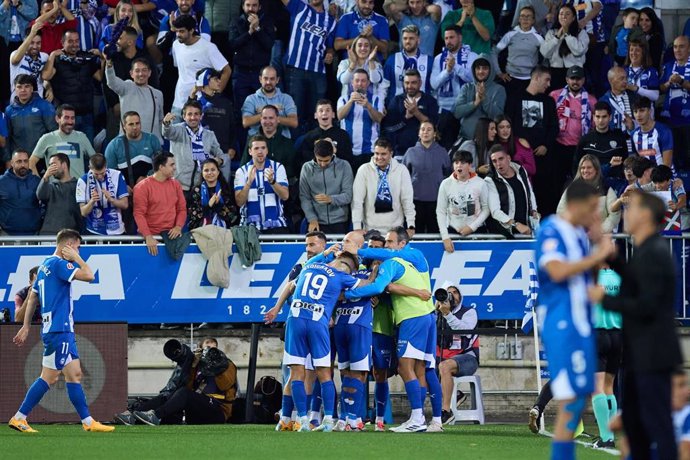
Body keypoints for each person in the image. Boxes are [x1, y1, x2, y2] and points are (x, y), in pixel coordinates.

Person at [589, 191, 683, 460]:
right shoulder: (647, 250)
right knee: (637, 428)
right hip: (639, 352)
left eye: (632, 209)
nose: (626, 214)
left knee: (658, 427)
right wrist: (613, 257)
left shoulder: (654, 253)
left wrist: (604, 299)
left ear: (645, 216)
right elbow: (634, 283)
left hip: (653, 355)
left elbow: (648, 306)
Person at [536, 180, 614, 460]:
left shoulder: (580, 236)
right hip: (561, 322)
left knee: (579, 398)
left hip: (582, 323)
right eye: (592, 209)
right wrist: (597, 257)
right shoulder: (551, 230)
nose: (595, 215)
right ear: (577, 204)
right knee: (570, 401)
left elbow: (584, 280)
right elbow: (557, 272)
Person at [9, 228, 114, 433]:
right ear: (68, 245)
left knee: (75, 374)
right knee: (49, 377)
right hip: (60, 329)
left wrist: (26, 326)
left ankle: (88, 421)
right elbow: (90, 275)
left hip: (58, 329)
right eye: (77, 247)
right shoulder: (58, 264)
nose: (78, 251)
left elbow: (32, 298)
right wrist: (77, 259)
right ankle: (19, 417)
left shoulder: (43, 266)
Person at [343, 227, 437, 433]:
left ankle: (418, 418)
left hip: (412, 317)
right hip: (423, 315)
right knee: (419, 369)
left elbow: (378, 287)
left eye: (388, 243)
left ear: (401, 244)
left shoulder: (397, 260)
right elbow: (391, 287)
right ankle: (427, 419)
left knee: (404, 368)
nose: (385, 248)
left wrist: (349, 295)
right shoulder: (408, 263)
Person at [281, 252, 362, 432]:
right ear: (350, 269)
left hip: (295, 319)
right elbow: (367, 286)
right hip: (318, 322)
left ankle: (301, 420)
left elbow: (289, 286)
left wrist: (276, 308)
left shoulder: (309, 266)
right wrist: (375, 274)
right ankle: (327, 420)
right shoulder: (341, 276)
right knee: (324, 373)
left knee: (296, 373)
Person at [131, 338, 238, 425]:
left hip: (218, 411)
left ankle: (156, 416)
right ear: (200, 349)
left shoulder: (227, 365)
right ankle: (132, 416)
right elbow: (188, 386)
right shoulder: (198, 366)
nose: (211, 349)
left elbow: (225, 385)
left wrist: (215, 366)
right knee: (169, 396)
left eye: (214, 346)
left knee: (184, 393)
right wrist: (193, 365)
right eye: (208, 346)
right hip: (198, 411)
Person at [505, 66, 558, 216]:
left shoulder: (548, 102)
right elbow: (508, 123)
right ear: (536, 78)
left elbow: (554, 127)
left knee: (544, 193)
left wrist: (546, 145)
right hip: (520, 155)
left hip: (543, 157)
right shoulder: (515, 97)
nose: (549, 84)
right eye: (546, 80)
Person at [281, 0, 337, 135]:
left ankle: (315, 150)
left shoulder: (331, 21)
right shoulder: (299, 7)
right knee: (295, 113)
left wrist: (330, 54)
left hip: (318, 73)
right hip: (295, 69)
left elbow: (331, 47)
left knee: (316, 115)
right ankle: (295, 152)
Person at [41, 29, 102, 141]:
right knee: (66, 152)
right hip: (66, 117)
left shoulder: (87, 58)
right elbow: (46, 76)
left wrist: (102, 57)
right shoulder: (57, 59)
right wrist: (53, 55)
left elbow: (100, 77)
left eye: (76, 41)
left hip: (86, 114)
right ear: (62, 42)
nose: (74, 44)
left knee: (87, 152)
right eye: (70, 41)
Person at [351, 138, 415, 234]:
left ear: (391, 154)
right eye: (376, 153)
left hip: (395, 230)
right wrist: (357, 226)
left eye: (383, 154)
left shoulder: (401, 170)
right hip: (370, 230)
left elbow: (407, 200)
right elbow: (357, 201)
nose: (379, 157)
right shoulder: (364, 170)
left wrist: (411, 225)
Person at [162, 100, 224, 198]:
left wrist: (219, 160)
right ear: (184, 116)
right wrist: (166, 123)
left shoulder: (209, 135)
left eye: (196, 114)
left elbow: (220, 155)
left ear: (201, 116)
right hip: (178, 186)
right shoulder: (178, 130)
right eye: (189, 114)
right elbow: (167, 132)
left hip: (200, 186)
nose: (193, 117)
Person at [170, 14, 230, 116]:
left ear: (191, 30)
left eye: (182, 31)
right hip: (178, 104)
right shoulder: (176, 45)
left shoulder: (208, 48)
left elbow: (226, 70)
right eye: (176, 31)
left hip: (200, 107)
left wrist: (217, 94)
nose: (178, 34)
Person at [436, 285, 479, 425]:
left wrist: (448, 314)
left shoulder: (469, 312)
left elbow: (464, 331)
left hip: (468, 358)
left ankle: (446, 411)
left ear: (460, 296)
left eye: (455, 293)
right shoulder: (436, 312)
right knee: (422, 369)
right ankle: (457, 395)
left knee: (444, 366)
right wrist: (435, 313)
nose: (452, 296)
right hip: (443, 356)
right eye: (448, 293)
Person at [550, 65, 597, 191]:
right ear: (567, 79)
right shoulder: (555, 96)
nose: (575, 82)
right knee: (556, 182)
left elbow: (594, 125)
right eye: (572, 78)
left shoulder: (591, 101)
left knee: (579, 182)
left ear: (583, 80)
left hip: (579, 147)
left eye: (578, 78)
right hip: (558, 145)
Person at [133, 151, 187, 257]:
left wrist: (178, 227)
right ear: (161, 167)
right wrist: (148, 236)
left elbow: (182, 209)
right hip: (150, 240)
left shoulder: (176, 184)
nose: (175, 168)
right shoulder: (142, 187)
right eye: (172, 165)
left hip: (171, 238)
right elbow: (139, 214)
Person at [430, 25, 476, 149]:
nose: (448, 41)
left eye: (452, 37)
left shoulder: (472, 56)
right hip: (445, 109)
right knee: (445, 147)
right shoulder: (438, 58)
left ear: (460, 38)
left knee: (466, 146)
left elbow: (473, 79)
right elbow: (433, 84)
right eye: (446, 38)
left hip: (466, 109)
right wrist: (447, 71)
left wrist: (456, 67)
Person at [234, 134, 290, 233]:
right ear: (250, 151)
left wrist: (272, 182)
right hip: (249, 228)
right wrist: (249, 183)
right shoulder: (241, 171)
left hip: (276, 225)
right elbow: (239, 202)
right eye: (256, 148)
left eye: (263, 148)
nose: (260, 151)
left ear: (267, 150)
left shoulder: (278, 167)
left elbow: (285, 196)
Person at [401, 121, 450, 234]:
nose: (425, 132)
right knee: (415, 235)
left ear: (434, 133)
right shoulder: (410, 152)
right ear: (418, 133)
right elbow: (403, 176)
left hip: (437, 202)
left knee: (435, 235)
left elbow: (448, 175)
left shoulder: (442, 152)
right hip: (415, 202)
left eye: (429, 129)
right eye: (422, 129)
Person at [105, 52, 164, 143]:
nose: (141, 74)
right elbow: (112, 82)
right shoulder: (126, 87)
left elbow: (160, 120)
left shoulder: (158, 94)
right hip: (128, 143)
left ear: (149, 73)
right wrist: (109, 64)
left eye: (144, 70)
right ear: (131, 73)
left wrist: (159, 141)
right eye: (137, 71)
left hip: (151, 144)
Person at [437, 150, 489, 252]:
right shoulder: (445, 184)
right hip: (453, 230)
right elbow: (440, 211)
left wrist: (472, 227)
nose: (459, 166)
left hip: (477, 231)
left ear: (470, 165)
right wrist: (445, 237)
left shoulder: (480, 183)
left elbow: (486, 209)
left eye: (463, 163)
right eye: (456, 163)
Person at [229, 0, 275, 112]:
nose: (251, 8)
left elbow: (269, 44)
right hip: (241, 73)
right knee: (240, 110)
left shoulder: (267, 21)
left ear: (259, 7)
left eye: (254, 5)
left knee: (261, 110)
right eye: (248, 5)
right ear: (243, 6)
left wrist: (258, 28)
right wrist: (249, 32)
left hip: (259, 74)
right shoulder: (236, 21)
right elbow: (232, 44)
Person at [299, 139, 353, 234]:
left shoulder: (344, 166)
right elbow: (304, 197)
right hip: (316, 222)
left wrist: (331, 199)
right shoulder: (306, 168)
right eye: (320, 160)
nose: (323, 164)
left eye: (326, 160)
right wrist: (312, 219)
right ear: (315, 155)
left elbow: (348, 195)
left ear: (332, 154)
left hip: (340, 221)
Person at [484, 145, 538, 237]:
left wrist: (533, 210)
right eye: (494, 161)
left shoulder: (520, 170)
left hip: (526, 229)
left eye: (501, 159)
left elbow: (530, 192)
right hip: (504, 233)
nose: (498, 164)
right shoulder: (490, 180)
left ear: (508, 158)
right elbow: (495, 211)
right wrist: (516, 224)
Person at [191, 68, 236, 177]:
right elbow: (188, 123)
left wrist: (232, 147)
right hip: (201, 152)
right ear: (205, 81)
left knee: (224, 189)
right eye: (216, 79)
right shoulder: (196, 103)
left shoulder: (225, 102)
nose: (220, 81)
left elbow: (232, 126)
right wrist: (192, 96)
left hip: (223, 152)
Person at [556, 156, 620, 233]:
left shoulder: (606, 189)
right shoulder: (571, 189)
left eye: (589, 167)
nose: (585, 170)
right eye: (582, 168)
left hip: (600, 239)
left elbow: (614, 215)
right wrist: (573, 231)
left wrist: (599, 231)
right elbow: (561, 212)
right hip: (576, 237)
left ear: (596, 170)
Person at [383, 69, 438, 158]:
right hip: (400, 153)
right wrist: (406, 118)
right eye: (407, 83)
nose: (410, 86)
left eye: (413, 83)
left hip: (425, 152)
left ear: (420, 83)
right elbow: (390, 128)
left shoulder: (430, 101)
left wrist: (416, 112)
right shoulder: (397, 101)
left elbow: (434, 126)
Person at [337, 69, 385, 170]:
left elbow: (379, 119)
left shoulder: (376, 99)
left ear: (368, 83)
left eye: (363, 81)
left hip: (370, 150)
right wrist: (351, 101)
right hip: (348, 150)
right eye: (357, 80)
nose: (360, 84)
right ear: (352, 83)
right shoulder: (344, 99)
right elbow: (340, 116)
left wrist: (368, 106)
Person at [453, 55, 506, 144]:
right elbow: (457, 113)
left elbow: (498, 117)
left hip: (488, 142)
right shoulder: (466, 87)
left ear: (490, 70)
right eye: (478, 68)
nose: (481, 71)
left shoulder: (499, 89)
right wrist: (475, 103)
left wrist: (484, 99)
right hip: (465, 139)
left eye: (485, 68)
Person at [239, 105, 298, 183]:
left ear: (278, 119)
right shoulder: (252, 141)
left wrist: (273, 177)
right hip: (255, 183)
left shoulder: (287, 143)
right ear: (260, 120)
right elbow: (243, 166)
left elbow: (291, 170)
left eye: (271, 118)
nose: (267, 122)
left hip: (280, 184)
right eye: (264, 118)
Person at [76, 153, 129, 235]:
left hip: (117, 231)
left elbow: (125, 205)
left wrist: (111, 200)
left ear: (105, 166)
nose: (100, 177)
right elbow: (83, 212)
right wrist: (92, 201)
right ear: (90, 168)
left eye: (102, 173)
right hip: (94, 232)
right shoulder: (83, 181)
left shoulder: (117, 175)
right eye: (96, 174)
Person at [495, 5, 544, 95]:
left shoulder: (539, 37)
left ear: (533, 20)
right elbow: (494, 52)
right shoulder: (510, 35)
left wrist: (540, 75)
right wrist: (499, 73)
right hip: (510, 79)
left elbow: (547, 56)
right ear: (519, 19)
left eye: (528, 16)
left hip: (530, 81)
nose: (525, 19)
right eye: (522, 16)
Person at [539, 4, 588, 93]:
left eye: (567, 14)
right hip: (555, 72)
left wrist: (567, 34)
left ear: (573, 18)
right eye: (561, 14)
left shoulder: (581, 33)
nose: (564, 16)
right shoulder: (551, 33)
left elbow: (578, 51)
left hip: (575, 72)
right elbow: (545, 53)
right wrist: (556, 37)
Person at [5, 75, 57, 158]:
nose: (23, 90)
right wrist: (7, 159)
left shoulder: (45, 106)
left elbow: (54, 133)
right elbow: (7, 138)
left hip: (41, 158)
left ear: (32, 88)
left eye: (27, 86)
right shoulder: (9, 110)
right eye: (19, 87)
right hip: (19, 159)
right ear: (15, 89)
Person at [105, 111, 161, 187]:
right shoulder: (114, 145)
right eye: (131, 124)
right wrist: (122, 186)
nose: (135, 127)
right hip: (125, 191)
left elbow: (161, 165)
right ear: (124, 126)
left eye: (137, 123)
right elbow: (109, 172)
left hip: (150, 186)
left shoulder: (152, 139)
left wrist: (147, 177)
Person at [574, 101, 627, 181]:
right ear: (593, 117)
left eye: (604, 117)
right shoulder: (585, 140)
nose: (600, 120)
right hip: (590, 184)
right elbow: (576, 166)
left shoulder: (619, 139)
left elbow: (625, 164)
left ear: (610, 117)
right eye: (598, 117)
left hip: (614, 184)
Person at [241, 66, 298, 139]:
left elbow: (294, 122)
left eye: (272, 79)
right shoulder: (251, 99)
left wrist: (268, 116)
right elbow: (246, 122)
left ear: (277, 80)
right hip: (257, 141)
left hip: (281, 140)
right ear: (260, 79)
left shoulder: (286, 98)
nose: (268, 82)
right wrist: (267, 114)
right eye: (265, 78)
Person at [659, 35, 690, 171]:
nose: (677, 50)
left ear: (689, 49)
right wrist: (668, 83)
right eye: (675, 47)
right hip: (670, 120)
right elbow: (660, 90)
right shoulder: (668, 66)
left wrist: (682, 82)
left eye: (682, 46)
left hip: (688, 121)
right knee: (674, 157)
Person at [382, 24, 433, 106]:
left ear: (418, 40)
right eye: (405, 38)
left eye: (411, 38)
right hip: (396, 107)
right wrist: (381, 105)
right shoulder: (392, 60)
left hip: (422, 107)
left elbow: (434, 89)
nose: (407, 41)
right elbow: (383, 86)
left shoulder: (429, 61)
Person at [36, 153, 81, 235]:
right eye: (49, 166)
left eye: (53, 165)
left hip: (70, 234)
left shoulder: (78, 185)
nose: (50, 168)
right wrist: (45, 177)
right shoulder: (51, 186)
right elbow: (40, 195)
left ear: (64, 165)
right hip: (49, 233)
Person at [187, 158, 238, 230]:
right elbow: (193, 217)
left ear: (218, 172)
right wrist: (208, 206)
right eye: (206, 170)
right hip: (202, 232)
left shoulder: (226, 189)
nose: (210, 173)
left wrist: (218, 206)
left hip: (224, 232)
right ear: (202, 173)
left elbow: (233, 217)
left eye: (213, 170)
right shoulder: (196, 191)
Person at [301, 99, 354, 168]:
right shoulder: (309, 137)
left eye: (328, 110)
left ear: (333, 114)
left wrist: (334, 151)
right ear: (315, 115)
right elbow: (305, 161)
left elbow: (349, 160)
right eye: (321, 111)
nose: (324, 113)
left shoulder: (343, 135)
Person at [0, 149, 41, 235]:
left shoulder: (37, 181)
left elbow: (44, 204)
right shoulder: (2, 182)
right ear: (12, 163)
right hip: (6, 234)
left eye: (25, 161)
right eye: (19, 161)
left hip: (33, 234)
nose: (23, 165)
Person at [336, 35, 386, 100]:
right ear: (354, 48)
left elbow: (375, 80)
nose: (363, 48)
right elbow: (344, 80)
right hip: (348, 103)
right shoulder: (344, 63)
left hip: (370, 103)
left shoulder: (376, 64)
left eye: (366, 45)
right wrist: (353, 64)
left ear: (371, 49)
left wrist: (371, 61)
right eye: (359, 45)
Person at [631, 96, 674, 171]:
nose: (638, 115)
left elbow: (667, 165)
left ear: (650, 111)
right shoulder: (634, 134)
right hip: (645, 179)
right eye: (635, 111)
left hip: (664, 178)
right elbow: (637, 162)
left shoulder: (663, 131)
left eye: (642, 110)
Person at [9, 21, 49, 100]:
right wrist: (31, 34)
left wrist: (49, 88)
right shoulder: (16, 54)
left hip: (38, 102)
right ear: (25, 41)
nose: (35, 46)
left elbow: (44, 78)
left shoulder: (45, 57)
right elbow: (15, 60)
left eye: (38, 43)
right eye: (32, 42)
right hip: (18, 103)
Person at [494, 115, 535, 180]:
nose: (505, 130)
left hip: (522, 183)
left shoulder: (521, 142)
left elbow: (532, 169)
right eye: (501, 127)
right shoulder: (493, 146)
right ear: (496, 129)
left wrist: (511, 165)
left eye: (508, 127)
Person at [599, 66, 636, 137]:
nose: (625, 81)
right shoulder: (603, 100)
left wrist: (632, 126)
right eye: (621, 78)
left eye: (626, 78)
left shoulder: (634, 97)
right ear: (611, 80)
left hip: (632, 142)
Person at [624, 38, 660, 103]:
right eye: (631, 50)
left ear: (643, 53)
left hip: (646, 111)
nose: (633, 53)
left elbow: (655, 96)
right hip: (628, 110)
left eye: (637, 50)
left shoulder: (651, 71)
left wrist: (636, 89)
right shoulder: (624, 71)